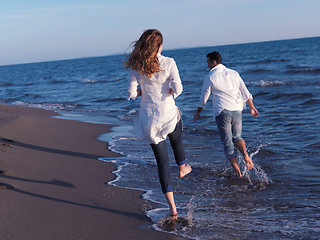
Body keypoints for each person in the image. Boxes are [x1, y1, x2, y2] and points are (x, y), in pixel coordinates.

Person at [125, 29, 192, 217]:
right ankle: (182, 167)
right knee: (176, 137)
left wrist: (142, 92)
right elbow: (178, 89)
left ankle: (172, 208)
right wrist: (169, 91)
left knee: (162, 164)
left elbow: (131, 94)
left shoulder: (136, 66)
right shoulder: (169, 62)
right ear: (160, 46)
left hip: (149, 120)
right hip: (167, 114)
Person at [193, 51, 259, 177]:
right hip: (237, 110)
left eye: (208, 62)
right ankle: (245, 155)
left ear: (213, 62)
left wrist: (198, 111)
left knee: (228, 142)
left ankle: (238, 172)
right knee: (237, 137)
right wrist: (252, 107)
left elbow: (204, 97)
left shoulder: (210, 76)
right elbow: (245, 91)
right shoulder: (234, 73)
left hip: (222, 112)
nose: (207, 66)